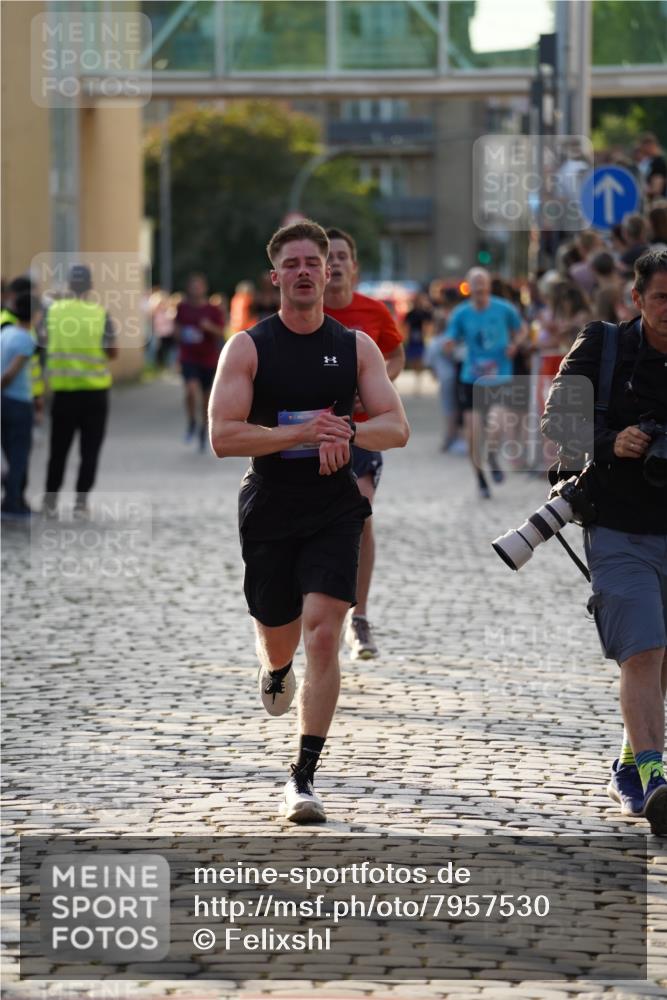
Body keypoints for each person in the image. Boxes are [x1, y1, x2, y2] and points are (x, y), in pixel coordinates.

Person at [208, 219, 409, 823]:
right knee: (280, 635)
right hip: (270, 503)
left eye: (312, 263)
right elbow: (223, 436)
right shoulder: (248, 347)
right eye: (290, 264)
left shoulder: (356, 346)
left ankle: (302, 778)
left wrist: (347, 431)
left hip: (332, 506)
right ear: (275, 277)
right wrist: (299, 434)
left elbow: (396, 427)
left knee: (323, 633)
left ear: (328, 272)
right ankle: (275, 668)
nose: (302, 272)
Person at [542, 248, 667, 836]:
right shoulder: (605, 344)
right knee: (642, 650)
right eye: (662, 297)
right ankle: (656, 778)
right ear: (637, 299)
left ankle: (628, 762)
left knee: (662, 658)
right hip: (619, 527)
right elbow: (556, 419)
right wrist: (611, 440)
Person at [323, 227, 405, 660]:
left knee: (361, 512)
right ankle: (321, 609)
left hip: (362, 429)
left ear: (353, 267)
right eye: (328, 256)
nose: (335, 263)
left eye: (342, 256)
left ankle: (359, 615)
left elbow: (397, 354)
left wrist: (377, 387)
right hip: (314, 431)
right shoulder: (306, 312)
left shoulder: (373, 311)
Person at [443, 268, 525, 498]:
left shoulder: (504, 308)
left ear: (489, 286)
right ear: (469, 288)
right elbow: (450, 337)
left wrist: (515, 345)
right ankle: (480, 479)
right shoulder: (461, 313)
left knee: (497, 424)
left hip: (500, 376)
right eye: (475, 285)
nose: (480, 289)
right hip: (471, 378)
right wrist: (449, 344)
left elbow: (521, 330)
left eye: (483, 284)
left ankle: (490, 455)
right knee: (473, 433)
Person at [43, 265, 117, 518]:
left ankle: (50, 503)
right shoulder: (100, 314)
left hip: (63, 393)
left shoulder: (52, 312)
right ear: (90, 286)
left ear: (68, 285)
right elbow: (112, 351)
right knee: (90, 451)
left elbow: (41, 342)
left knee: (58, 451)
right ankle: (81, 503)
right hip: (95, 394)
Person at [1, 293, 43, 519]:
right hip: (18, 402)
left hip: (3, 403)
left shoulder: (5, 333)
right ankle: (12, 504)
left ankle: (13, 499)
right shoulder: (26, 339)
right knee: (19, 456)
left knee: (10, 453)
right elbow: (11, 373)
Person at [174, 273, 225, 451]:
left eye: (199, 285)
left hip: (208, 359)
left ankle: (204, 428)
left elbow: (222, 332)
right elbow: (176, 328)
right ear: (188, 288)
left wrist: (209, 327)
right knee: (190, 389)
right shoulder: (182, 307)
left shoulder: (213, 310)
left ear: (204, 288)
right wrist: (179, 334)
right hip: (188, 357)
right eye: (193, 286)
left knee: (206, 399)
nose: (196, 289)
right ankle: (191, 422)